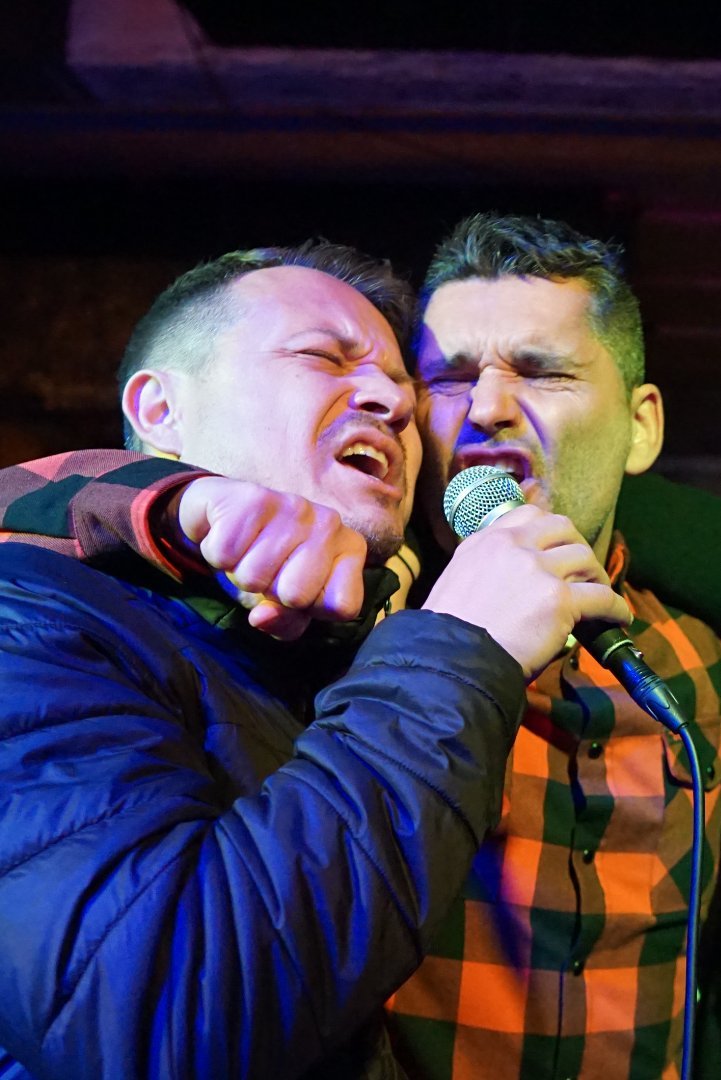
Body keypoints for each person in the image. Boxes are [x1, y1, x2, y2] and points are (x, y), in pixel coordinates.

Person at [0, 241, 629, 1080]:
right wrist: (460, 647)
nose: (394, 402)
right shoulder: (30, 616)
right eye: (322, 357)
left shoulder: (335, 633)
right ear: (159, 409)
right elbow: (163, 1017)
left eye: (403, 385)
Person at [381, 213, 721, 1080]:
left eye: (541, 371)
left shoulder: (695, 659)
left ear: (640, 428)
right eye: (449, 378)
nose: (486, 407)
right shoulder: (360, 641)